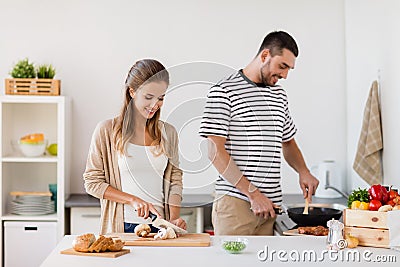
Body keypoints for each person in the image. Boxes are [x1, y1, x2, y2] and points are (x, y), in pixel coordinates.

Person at [199, 31, 319, 235]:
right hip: (237, 206)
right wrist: (253, 195)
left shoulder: (279, 95)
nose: (285, 75)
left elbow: (288, 142)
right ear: (264, 56)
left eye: (289, 69)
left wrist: (303, 171)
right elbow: (214, 151)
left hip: (270, 208)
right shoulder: (224, 90)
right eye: (282, 66)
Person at [83, 59, 186, 235]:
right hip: (122, 226)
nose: (155, 104)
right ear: (132, 92)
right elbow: (92, 183)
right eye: (148, 97)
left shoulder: (169, 133)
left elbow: (174, 180)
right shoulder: (107, 131)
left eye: (161, 98)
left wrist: (173, 219)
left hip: (161, 228)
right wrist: (132, 200)